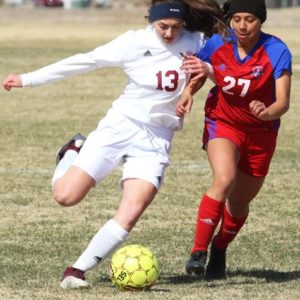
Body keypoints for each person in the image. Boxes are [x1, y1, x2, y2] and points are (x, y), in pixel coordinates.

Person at [2, 0, 227, 289]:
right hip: (119, 127)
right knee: (65, 196)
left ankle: (76, 271)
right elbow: (84, 61)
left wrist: (199, 78)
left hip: (157, 138)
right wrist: (27, 79)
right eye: (163, 27)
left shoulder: (198, 41)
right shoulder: (133, 42)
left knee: (132, 210)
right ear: (151, 21)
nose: (169, 33)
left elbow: (227, 62)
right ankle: (72, 150)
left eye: (175, 27)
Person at [176, 0, 292, 280]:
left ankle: (220, 246)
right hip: (223, 122)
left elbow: (283, 102)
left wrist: (267, 113)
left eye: (249, 19)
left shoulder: (276, 50)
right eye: (237, 18)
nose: (242, 25)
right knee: (224, 179)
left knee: (239, 204)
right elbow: (201, 69)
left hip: (262, 132)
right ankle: (198, 251)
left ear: (260, 20)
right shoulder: (219, 42)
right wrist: (189, 91)